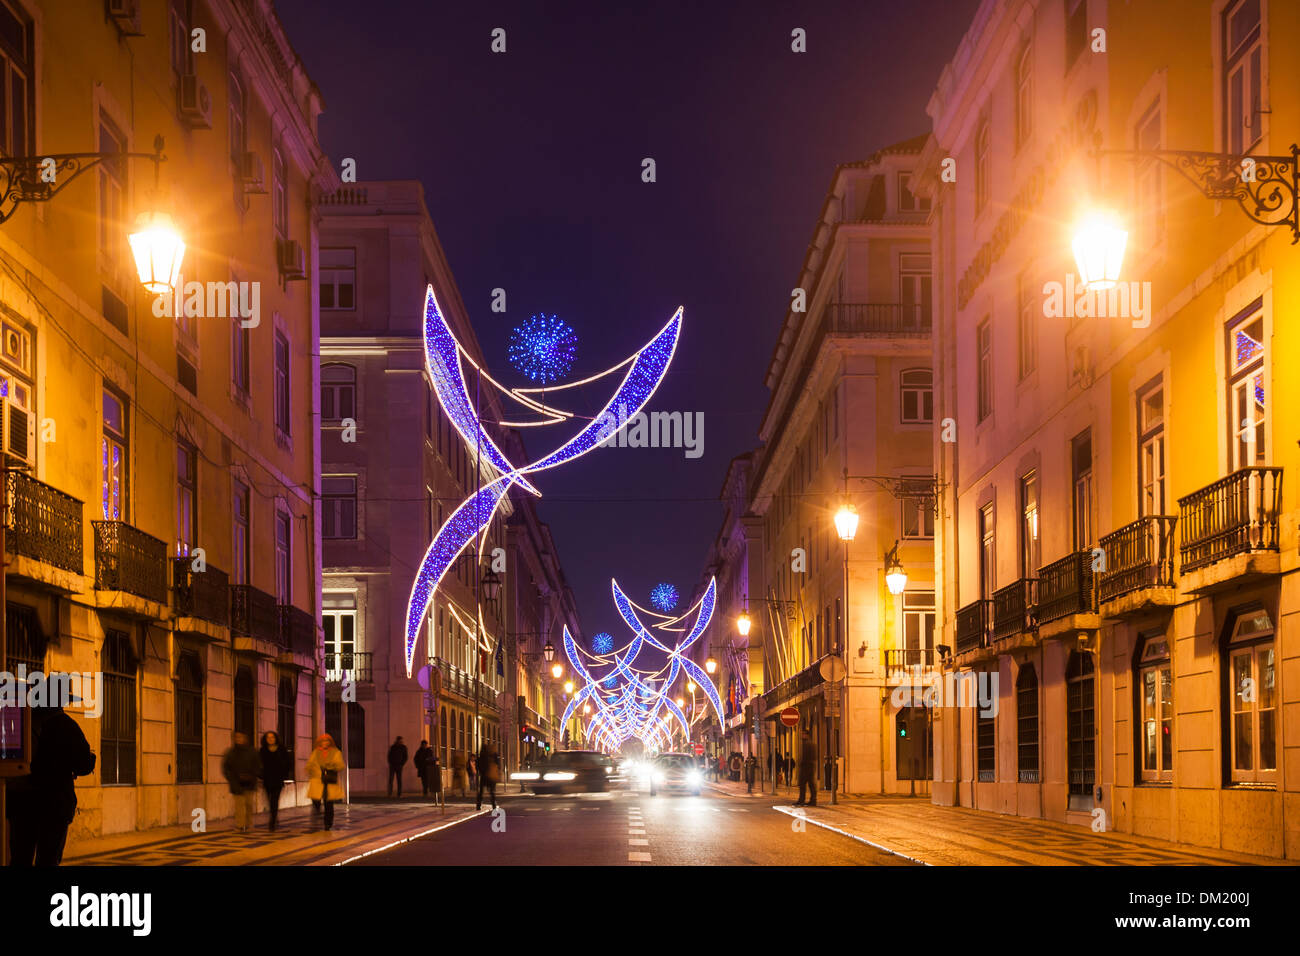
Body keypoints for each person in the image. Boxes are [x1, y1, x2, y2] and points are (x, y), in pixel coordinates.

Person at [5, 702, 96, 866]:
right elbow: (83, 764)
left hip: (21, 802)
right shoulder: (66, 725)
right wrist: (90, 759)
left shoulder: (20, 721)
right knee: (48, 858)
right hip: (54, 804)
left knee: (20, 857)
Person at [221, 731, 260, 833]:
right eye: (237, 737)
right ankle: (240, 825)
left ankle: (248, 824)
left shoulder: (252, 751)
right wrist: (232, 779)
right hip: (236, 783)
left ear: (245, 738)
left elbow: (258, 766)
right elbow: (226, 768)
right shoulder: (231, 753)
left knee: (248, 805)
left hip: (249, 782)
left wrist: (252, 776)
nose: (239, 739)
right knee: (239, 805)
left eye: (241, 737)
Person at [306, 733, 345, 830]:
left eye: (327, 741)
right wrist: (314, 770)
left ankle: (328, 823)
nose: (325, 743)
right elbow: (310, 764)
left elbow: (340, 765)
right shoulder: (315, 752)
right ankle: (319, 810)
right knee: (315, 799)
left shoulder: (336, 752)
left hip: (329, 780)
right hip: (318, 780)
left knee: (329, 803)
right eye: (323, 741)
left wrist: (330, 766)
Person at [259, 731, 292, 831]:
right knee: (270, 800)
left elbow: (288, 763)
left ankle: (272, 821)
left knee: (274, 799)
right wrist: (260, 775)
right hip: (267, 779)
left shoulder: (281, 750)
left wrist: (284, 773)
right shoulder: (263, 750)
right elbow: (259, 764)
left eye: (272, 737)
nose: (270, 739)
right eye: (268, 737)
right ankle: (274, 816)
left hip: (278, 778)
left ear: (276, 738)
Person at [795, 732, 818, 807]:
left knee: (806, 784)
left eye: (803, 734)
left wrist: (804, 765)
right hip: (807, 767)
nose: (802, 735)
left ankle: (807, 800)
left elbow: (811, 757)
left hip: (807, 767)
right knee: (809, 785)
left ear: (807, 735)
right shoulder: (806, 744)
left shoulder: (809, 744)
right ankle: (809, 800)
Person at [476, 742, 501, 810]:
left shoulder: (482, 756)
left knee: (481, 792)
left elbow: (478, 766)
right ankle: (493, 804)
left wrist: (480, 772)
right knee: (492, 792)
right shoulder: (493, 756)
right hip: (491, 776)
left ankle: (479, 805)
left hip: (484, 776)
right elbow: (498, 764)